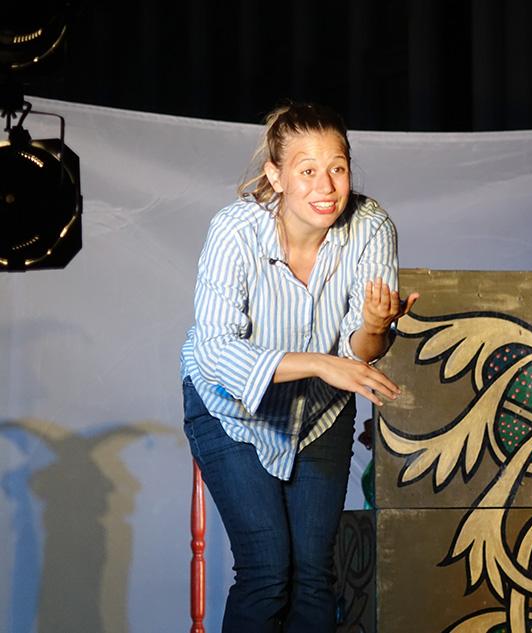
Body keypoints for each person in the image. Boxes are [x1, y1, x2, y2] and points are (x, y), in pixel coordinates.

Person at [180, 102, 418, 632]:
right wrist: (322, 364)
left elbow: (361, 353)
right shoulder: (236, 229)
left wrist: (375, 324)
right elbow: (216, 350)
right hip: (231, 410)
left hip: (319, 416)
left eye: (338, 167)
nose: (326, 186)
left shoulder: (371, 226)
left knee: (313, 576)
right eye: (307, 170)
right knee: (267, 571)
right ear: (276, 176)